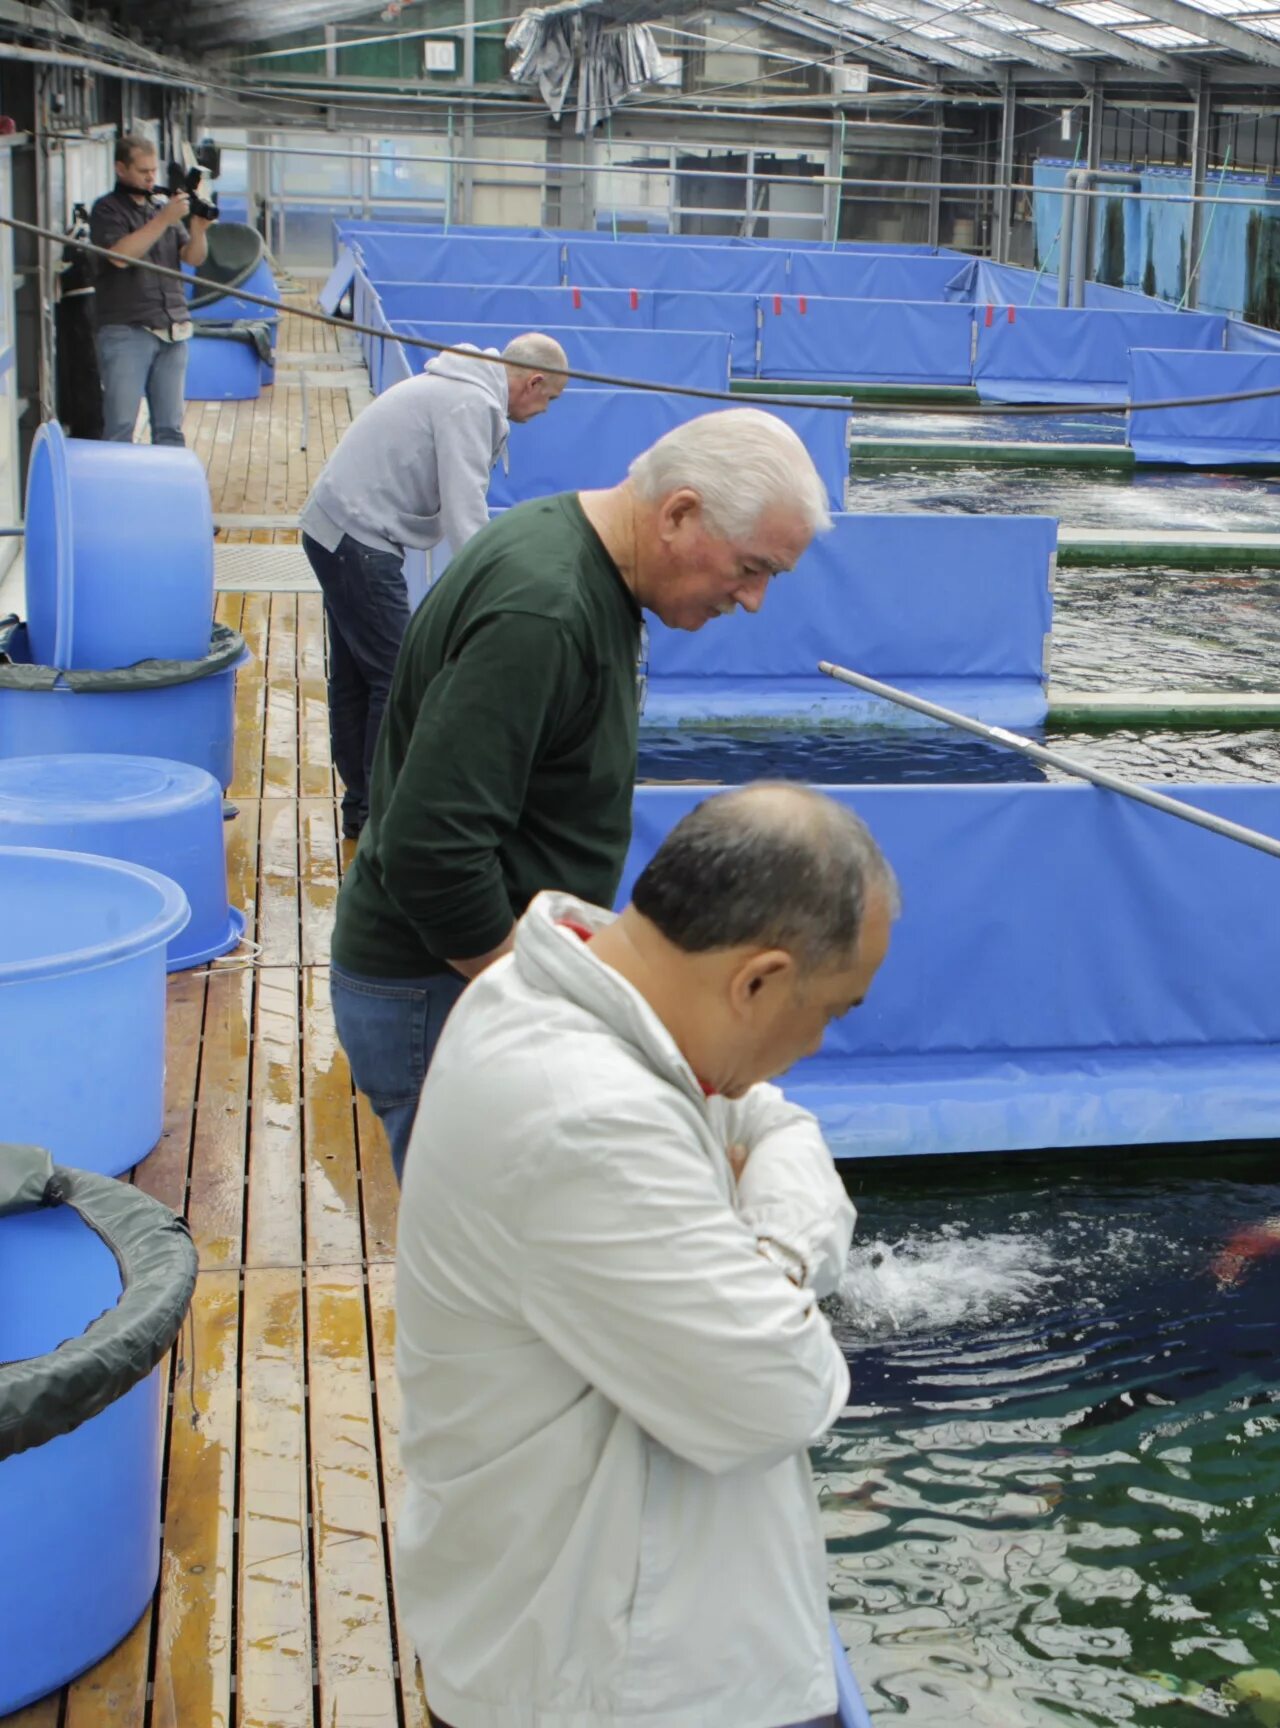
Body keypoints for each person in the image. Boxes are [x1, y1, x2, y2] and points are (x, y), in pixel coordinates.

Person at [393, 783, 897, 1728]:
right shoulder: (587, 1117)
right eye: (828, 1010)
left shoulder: (593, 1000)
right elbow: (784, 1393)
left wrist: (748, 1239)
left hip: (610, 1630)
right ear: (757, 980)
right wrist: (780, 1259)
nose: (816, 1047)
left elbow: (781, 1129)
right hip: (621, 1680)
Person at [330, 407, 831, 1173]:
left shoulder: (587, 563)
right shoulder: (545, 612)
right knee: (493, 1270)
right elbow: (431, 853)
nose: (755, 598)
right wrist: (553, 1009)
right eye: (752, 567)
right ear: (679, 513)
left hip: (464, 983)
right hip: (441, 994)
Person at [300, 332, 570, 839]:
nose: (544, 411)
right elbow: (465, 511)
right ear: (533, 381)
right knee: (398, 676)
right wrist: (503, 589)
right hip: (356, 536)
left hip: (333, 525)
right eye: (549, 399)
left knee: (360, 675)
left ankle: (362, 809)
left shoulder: (463, 388)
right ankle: (382, 814)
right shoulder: (469, 403)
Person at [88, 133, 211, 447]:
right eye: (142, 171)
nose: (150, 178)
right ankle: (116, 493)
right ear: (120, 169)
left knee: (171, 429)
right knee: (121, 426)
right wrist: (163, 219)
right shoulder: (107, 210)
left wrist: (198, 231)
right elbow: (118, 257)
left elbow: (193, 258)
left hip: (173, 328)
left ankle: (163, 491)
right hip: (127, 330)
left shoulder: (161, 207)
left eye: (153, 171)